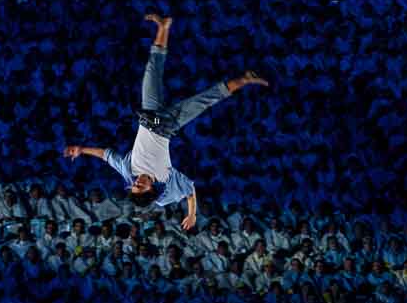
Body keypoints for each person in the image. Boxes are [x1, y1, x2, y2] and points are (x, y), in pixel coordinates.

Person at [63, 13, 268, 231]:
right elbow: (190, 190)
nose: (136, 183)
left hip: (149, 114)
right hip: (170, 125)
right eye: (140, 187)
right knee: (208, 98)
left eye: (134, 186)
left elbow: (105, 155)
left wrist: (81, 149)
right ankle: (246, 78)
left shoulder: (127, 170)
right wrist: (192, 214)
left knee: (152, 69)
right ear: (150, 189)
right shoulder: (167, 181)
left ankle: (163, 26)